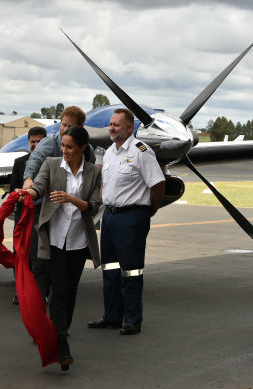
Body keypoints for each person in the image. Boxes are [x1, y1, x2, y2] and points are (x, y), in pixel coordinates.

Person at [17, 125, 101, 370]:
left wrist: (72, 199)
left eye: (70, 147)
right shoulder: (52, 164)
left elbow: (94, 206)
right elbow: (40, 186)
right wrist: (28, 193)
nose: (64, 150)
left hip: (78, 242)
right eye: (63, 145)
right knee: (60, 290)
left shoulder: (94, 172)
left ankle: (59, 332)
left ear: (82, 149)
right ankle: (61, 343)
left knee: (71, 292)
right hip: (53, 241)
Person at [87, 108, 165, 335]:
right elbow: (105, 182)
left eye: (116, 125)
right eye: (111, 124)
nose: (111, 128)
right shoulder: (110, 152)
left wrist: (150, 209)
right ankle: (111, 316)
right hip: (110, 216)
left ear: (129, 128)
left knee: (131, 271)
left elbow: (157, 183)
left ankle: (132, 319)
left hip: (132, 217)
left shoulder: (141, 151)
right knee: (109, 268)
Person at [9, 126, 47, 305]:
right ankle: (20, 291)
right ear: (28, 142)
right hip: (23, 219)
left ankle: (42, 292)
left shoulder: (53, 163)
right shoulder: (19, 163)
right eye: (33, 141)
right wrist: (21, 195)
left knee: (41, 258)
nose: (36, 144)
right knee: (21, 256)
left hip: (43, 219)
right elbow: (12, 192)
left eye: (40, 141)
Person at [21, 106, 86, 191]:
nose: (66, 129)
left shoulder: (88, 151)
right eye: (64, 125)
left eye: (70, 126)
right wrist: (28, 179)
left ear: (80, 126)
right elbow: (35, 159)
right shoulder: (49, 143)